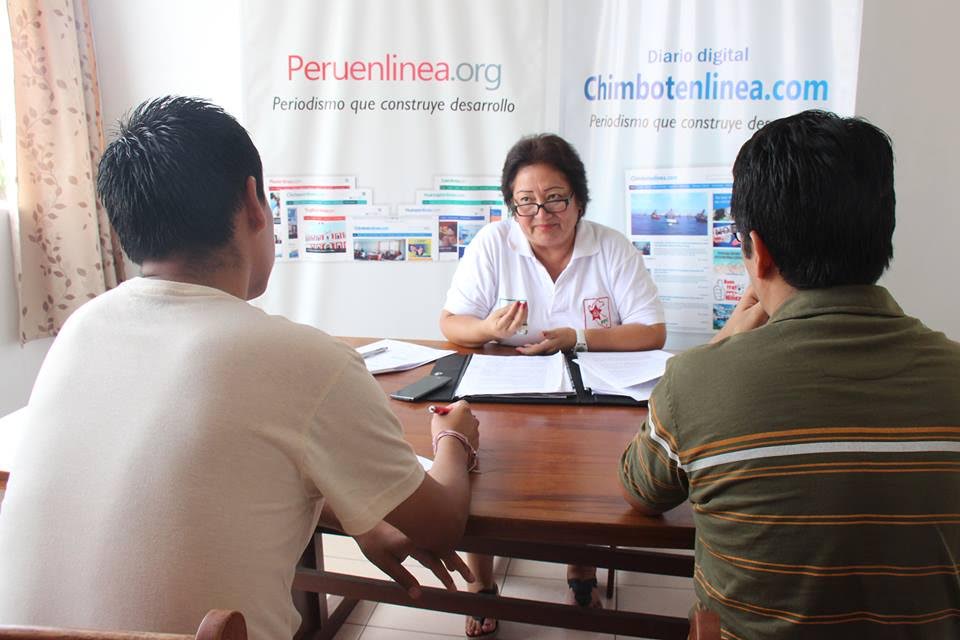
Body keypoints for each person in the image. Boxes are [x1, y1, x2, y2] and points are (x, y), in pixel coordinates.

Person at [0, 96, 480, 639]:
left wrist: (358, 509)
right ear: (254, 203)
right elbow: (442, 525)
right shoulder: (305, 360)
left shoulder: (81, 329)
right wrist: (454, 440)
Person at [618, 110, 960, 639]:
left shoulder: (697, 383)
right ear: (883, 236)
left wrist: (719, 347)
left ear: (758, 252)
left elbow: (641, 491)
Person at [440, 133, 666, 638]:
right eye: (525, 201)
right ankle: (482, 583)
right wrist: (487, 328)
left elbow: (652, 331)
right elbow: (451, 323)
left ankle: (580, 571)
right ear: (512, 205)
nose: (541, 214)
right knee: (484, 469)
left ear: (579, 200)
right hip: (505, 391)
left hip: (591, 394)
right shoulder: (494, 243)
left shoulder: (611, 247)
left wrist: (578, 338)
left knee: (588, 474)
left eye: (555, 198)